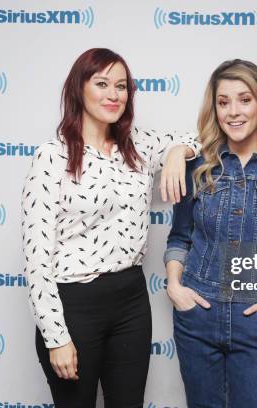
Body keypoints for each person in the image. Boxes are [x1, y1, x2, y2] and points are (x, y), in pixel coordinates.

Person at [21, 48, 199, 408]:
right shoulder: (51, 156)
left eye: (121, 86)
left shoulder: (139, 145)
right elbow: (35, 257)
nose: (113, 94)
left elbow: (198, 138)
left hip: (130, 302)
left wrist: (180, 153)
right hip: (74, 305)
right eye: (102, 83)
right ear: (79, 89)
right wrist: (56, 337)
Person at [164, 59, 257, 408]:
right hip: (196, 314)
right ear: (214, 108)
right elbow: (179, 237)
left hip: (254, 320)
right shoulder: (196, 167)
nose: (234, 111)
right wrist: (174, 286)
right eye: (223, 101)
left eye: (244, 99)